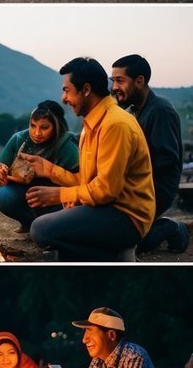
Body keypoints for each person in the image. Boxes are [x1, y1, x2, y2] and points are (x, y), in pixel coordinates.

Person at [20, 57, 154, 261]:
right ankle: (79, 254)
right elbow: (88, 181)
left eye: (67, 90)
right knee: (42, 211)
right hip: (104, 207)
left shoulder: (115, 124)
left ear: (86, 90)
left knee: (41, 229)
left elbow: (106, 190)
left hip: (126, 217)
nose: (63, 98)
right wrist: (48, 170)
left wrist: (59, 195)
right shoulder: (91, 125)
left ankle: (117, 256)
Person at [110, 55, 189, 253]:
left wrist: (128, 176)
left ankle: (171, 228)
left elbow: (167, 160)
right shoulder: (134, 112)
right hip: (136, 186)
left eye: (120, 80)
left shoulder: (160, 111)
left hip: (157, 189)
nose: (114, 88)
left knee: (124, 244)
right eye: (113, 81)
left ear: (139, 81)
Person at [0, 100, 80, 232]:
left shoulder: (67, 146)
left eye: (44, 127)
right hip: (25, 194)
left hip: (56, 199)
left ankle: (48, 227)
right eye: (33, 126)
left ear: (56, 127)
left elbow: (80, 182)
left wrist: (50, 172)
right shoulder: (19, 139)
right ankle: (31, 223)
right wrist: (1, 177)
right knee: (4, 195)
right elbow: (1, 170)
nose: (36, 133)